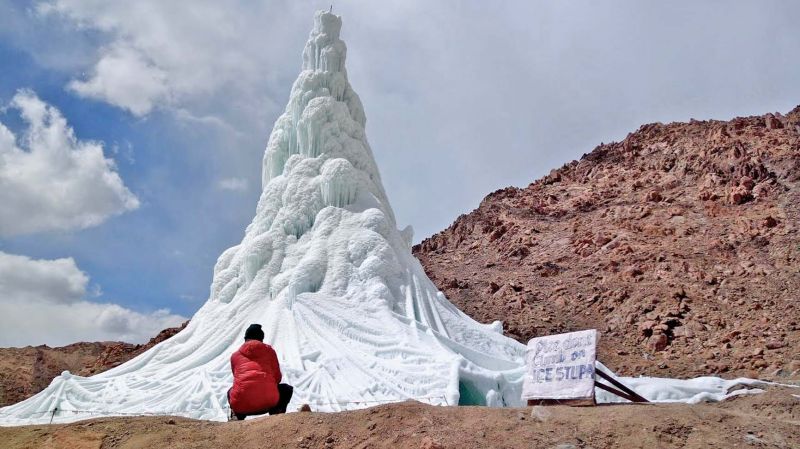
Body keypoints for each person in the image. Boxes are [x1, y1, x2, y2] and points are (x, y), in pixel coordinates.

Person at [227, 324, 294, 420]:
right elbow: (277, 378)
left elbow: (237, 378)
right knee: (286, 389)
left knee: (231, 391)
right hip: (269, 403)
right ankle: (276, 414)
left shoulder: (234, 356)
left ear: (246, 338)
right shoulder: (270, 351)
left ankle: (237, 417)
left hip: (242, 406)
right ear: (261, 339)